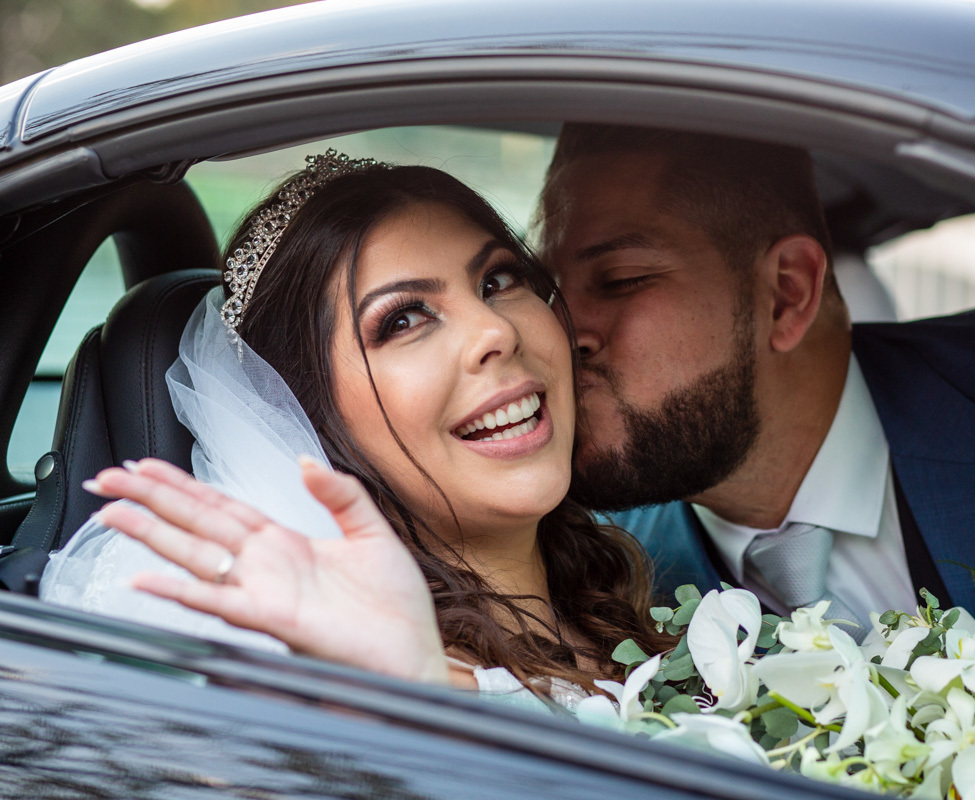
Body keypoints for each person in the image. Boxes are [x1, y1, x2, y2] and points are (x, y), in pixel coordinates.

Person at [533, 124, 975, 726]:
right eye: (547, 292)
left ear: (787, 293)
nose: (559, 334)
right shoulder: (597, 578)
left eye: (619, 279)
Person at [40, 150, 675, 711]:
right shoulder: (344, 682)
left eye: (498, 280)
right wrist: (408, 696)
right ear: (305, 414)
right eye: (403, 320)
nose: (496, 332)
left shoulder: (633, 591)